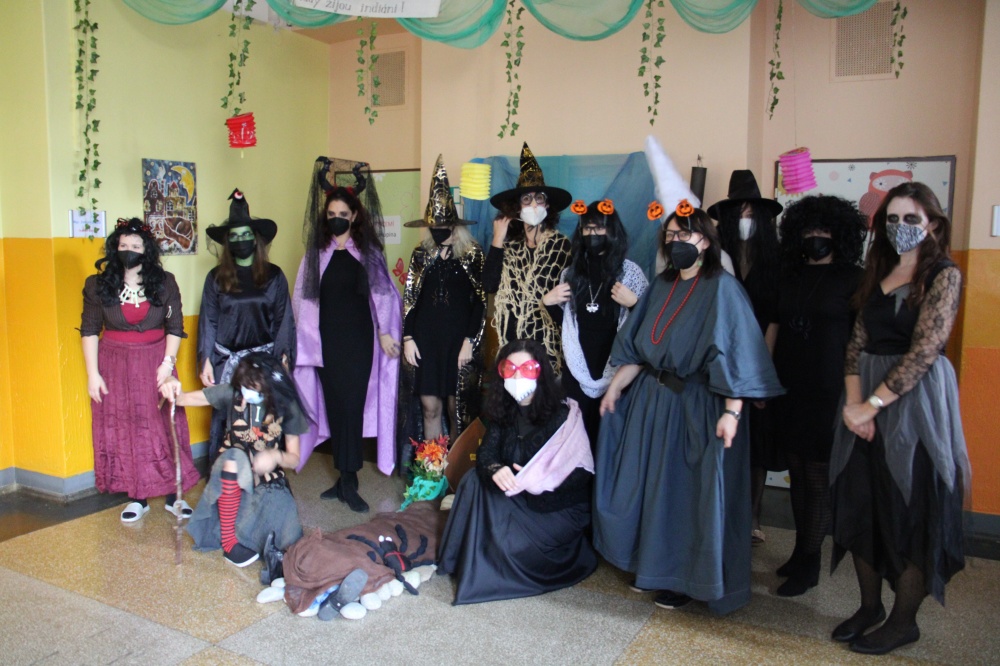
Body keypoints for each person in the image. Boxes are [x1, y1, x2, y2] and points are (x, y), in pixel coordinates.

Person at [593, 199, 783, 615]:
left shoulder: (723, 289)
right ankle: (652, 567)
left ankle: (684, 579)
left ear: (706, 241)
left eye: (686, 234)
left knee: (686, 496)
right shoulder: (661, 286)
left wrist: (732, 412)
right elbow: (638, 349)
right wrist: (615, 388)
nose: (677, 240)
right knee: (651, 490)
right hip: (652, 402)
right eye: (672, 234)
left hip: (696, 406)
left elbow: (737, 357)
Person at [829, 182, 969, 655]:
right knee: (860, 505)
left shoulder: (944, 275)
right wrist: (854, 408)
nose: (901, 227)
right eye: (892, 219)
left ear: (932, 223)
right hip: (863, 404)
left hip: (914, 404)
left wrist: (871, 405)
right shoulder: (879, 270)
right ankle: (869, 607)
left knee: (909, 510)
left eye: (911, 218)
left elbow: (925, 351)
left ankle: (903, 621)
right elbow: (855, 345)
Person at [437, 339, 597, 604]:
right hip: (516, 497)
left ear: (541, 372)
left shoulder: (562, 415)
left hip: (553, 509)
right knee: (473, 480)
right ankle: (461, 559)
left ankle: (486, 560)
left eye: (527, 369)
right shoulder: (504, 412)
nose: (518, 377)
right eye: (510, 369)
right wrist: (496, 469)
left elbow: (582, 474)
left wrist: (538, 480)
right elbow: (486, 455)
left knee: (504, 543)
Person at [769, 195, 867, 597]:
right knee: (796, 473)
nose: (815, 236)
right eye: (809, 229)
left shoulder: (855, 279)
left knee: (817, 478)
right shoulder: (789, 275)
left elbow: (860, 343)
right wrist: (763, 380)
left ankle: (810, 562)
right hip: (789, 386)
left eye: (824, 230)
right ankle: (800, 551)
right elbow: (774, 327)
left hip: (830, 391)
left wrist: (857, 398)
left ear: (839, 234)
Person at [293, 170, 402, 513]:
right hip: (325, 345)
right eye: (331, 214)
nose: (337, 219)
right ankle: (342, 478)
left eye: (343, 214)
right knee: (336, 407)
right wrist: (302, 343)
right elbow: (302, 301)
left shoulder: (368, 253)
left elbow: (384, 296)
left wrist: (384, 332)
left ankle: (351, 479)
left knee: (353, 406)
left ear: (354, 216)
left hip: (358, 343)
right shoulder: (316, 255)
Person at [80, 217, 200, 523]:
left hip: (156, 363)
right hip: (114, 366)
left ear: (147, 250)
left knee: (164, 425)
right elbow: (90, 330)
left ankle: (175, 495)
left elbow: (175, 327)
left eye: (135, 245)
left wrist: (167, 365)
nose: (129, 250)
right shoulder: (97, 285)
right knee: (126, 428)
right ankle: (137, 497)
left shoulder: (165, 282)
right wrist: (93, 374)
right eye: (123, 245)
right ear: (114, 248)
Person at [161, 353, 306, 568]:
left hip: (266, 476)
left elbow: (294, 459)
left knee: (288, 535)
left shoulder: (287, 405)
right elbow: (182, 398)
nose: (247, 394)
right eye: (244, 387)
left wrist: (276, 456)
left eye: (253, 388)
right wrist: (171, 383)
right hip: (230, 471)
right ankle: (229, 543)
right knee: (234, 458)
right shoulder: (232, 393)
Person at [708, 170, 783, 545]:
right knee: (723, 437)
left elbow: (775, 318)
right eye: (739, 211)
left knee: (758, 443)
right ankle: (721, 512)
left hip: (760, 357)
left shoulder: (776, 260)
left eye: (752, 211)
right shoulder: (715, 257)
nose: (745, 217)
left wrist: (760, 373)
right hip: (720, 358)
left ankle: (753, 516)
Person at [542, 198, 648, 447]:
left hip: (617, 376)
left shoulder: (630, 273)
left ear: (612, 231)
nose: (593, 234)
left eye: (599, 228)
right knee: (576, 445)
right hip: (576, 374)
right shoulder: (570, 274)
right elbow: (567, 327)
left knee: (609, 445)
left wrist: (634, 304)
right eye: (587, 228)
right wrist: (548, 303)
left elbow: (646, 328)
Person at [199, 188, 296, 459]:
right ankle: (224, 475)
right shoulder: (216, 278)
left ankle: (264, 474)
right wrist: (205, 359)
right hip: (227, 362)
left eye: (245, 235)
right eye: (234, 236)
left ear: (256, 239)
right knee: (228, 420)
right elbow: (209, 321)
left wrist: (283, 358)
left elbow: (284, 320)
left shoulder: (274, 276)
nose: (240, 241)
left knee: (263, 421)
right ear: (227, 242)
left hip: (264, 362)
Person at [399, 156, 485, 449]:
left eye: (443, 224)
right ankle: (432, 467)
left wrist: (470, 341)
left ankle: (456, 471)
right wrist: (408, 338)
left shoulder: (472, 253)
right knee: (429, 406)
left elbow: (481, 302)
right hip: (426, 341)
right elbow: (410, 298)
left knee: (456, 408)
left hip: (458, 342)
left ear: (455, 224)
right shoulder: (421, 254)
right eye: (433, 225)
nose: (437, 229)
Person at [484, 142, 572, 372]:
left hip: (548, 346)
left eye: (539, 198)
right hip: (512, 345)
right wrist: (498, 239)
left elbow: (572, 303)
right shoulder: (509, 248)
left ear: (547, 204)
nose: (533, 205)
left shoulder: (560, 247)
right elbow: (489, 285)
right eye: (526, 199)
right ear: (517, 208)